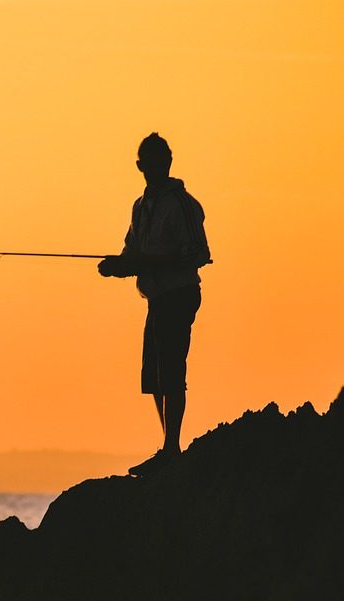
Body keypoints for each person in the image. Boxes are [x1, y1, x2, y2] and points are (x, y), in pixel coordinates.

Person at [98, 132, 211, 475]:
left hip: (179, 294)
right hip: (156, 298)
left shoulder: (183, 204)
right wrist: (118, 266)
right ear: (141, 166)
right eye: (151, 163)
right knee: (154, 377)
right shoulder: (140, 207)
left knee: (172, 372)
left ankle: (171, 449)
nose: (156, 168)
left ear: (169, 163)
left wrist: (144, 262)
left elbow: (199, 254)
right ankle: (168, 447)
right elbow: (132, 252)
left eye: (162, 161)